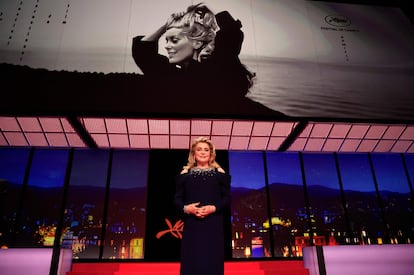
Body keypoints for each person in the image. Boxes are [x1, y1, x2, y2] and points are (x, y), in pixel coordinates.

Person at [131, 3, 285, 117]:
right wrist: (168, 24)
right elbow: (144, 52)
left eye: (175, 40)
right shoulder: (174, 76)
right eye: (167, 41)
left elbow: (231, 33)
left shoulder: (216, 70)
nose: (167, 47)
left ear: (197, 43)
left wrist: (206, 6)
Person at [174, 137, 231, 275]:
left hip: (213, 225)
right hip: (192, 226)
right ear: (194, 154)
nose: (203, 152)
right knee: (192, 261)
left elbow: (227, 198)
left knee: (212, 261)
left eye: (206, 150)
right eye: (199, 149)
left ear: (211, 154)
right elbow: (177, 200)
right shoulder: (184, 175)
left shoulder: (220, 175)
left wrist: (214, 208)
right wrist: (187, 208)